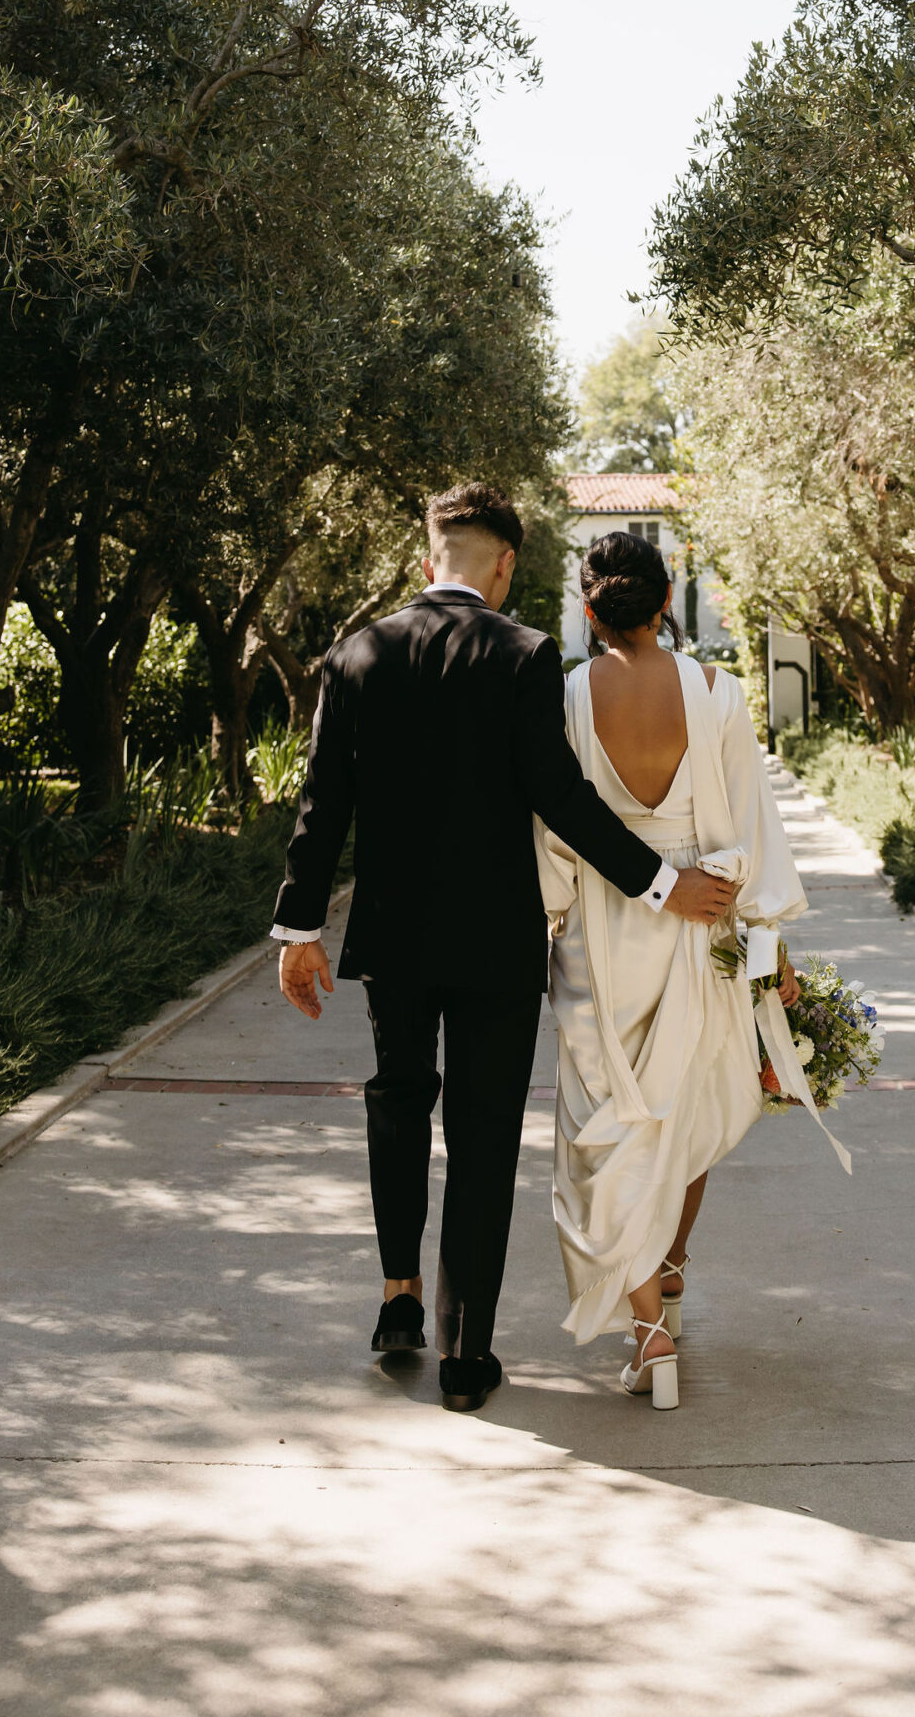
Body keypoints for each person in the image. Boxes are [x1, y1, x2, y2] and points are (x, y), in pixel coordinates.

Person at [270, 482, 735, 1413]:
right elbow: (561, 798)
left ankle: (397, 1299)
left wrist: (300, 929)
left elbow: (324, 803)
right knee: (481, 1135)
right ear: (506, 562)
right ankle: (463, 1352)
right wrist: (662, 884)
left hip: (394, 941)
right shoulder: (521, 655)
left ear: (427, 554)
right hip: (494, 940)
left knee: (397, 1102)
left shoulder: (356, 653)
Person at [536, 528, 807, 1411]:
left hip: (602, 935)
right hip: (703, 920)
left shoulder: (565, 698)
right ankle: (672, 1275)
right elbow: (753, 834)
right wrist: (772, 955)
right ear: (666, 601)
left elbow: (553, 837)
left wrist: (548, 923)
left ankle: (648, 1329)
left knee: (608, 1124)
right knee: (683, 1116)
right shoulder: (718, 693)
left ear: (587, 609)